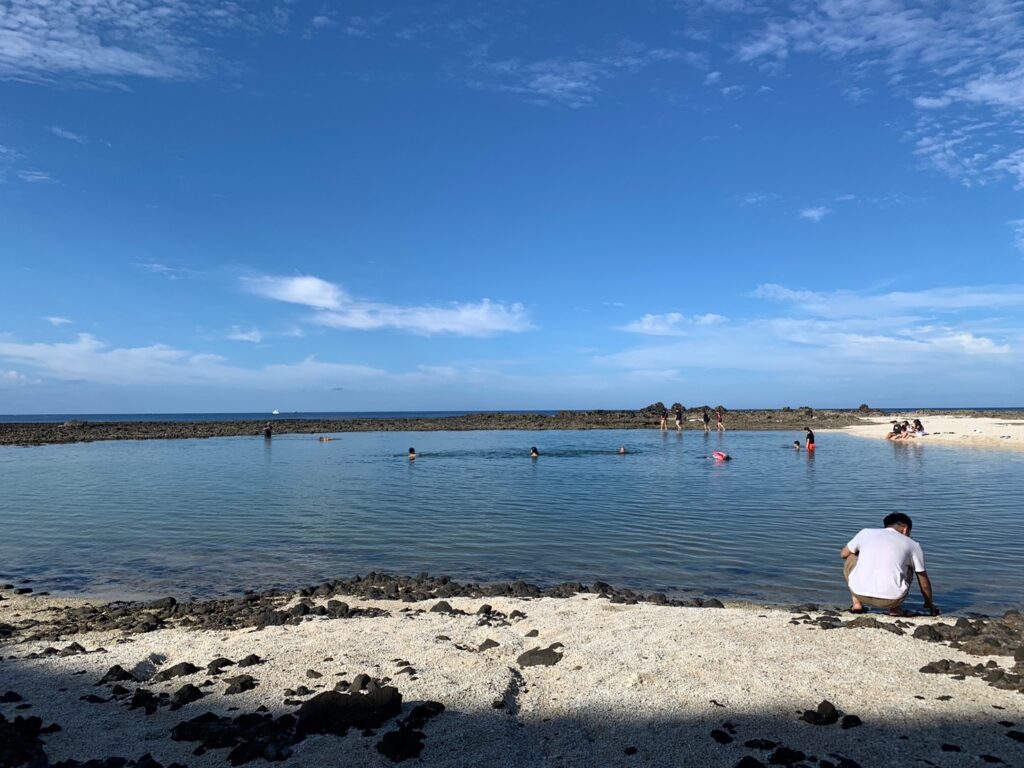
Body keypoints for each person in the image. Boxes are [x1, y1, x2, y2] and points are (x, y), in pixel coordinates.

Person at [841, 512, 939, 616]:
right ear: (905, 529)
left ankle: (857, 604)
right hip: (892, 600)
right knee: (911, 567)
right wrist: (929, 603)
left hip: (859, 593)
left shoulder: (865, 533)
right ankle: (895, 610)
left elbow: (843, 554)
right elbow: (924, 582)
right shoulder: (913, 545)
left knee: (851, 556)